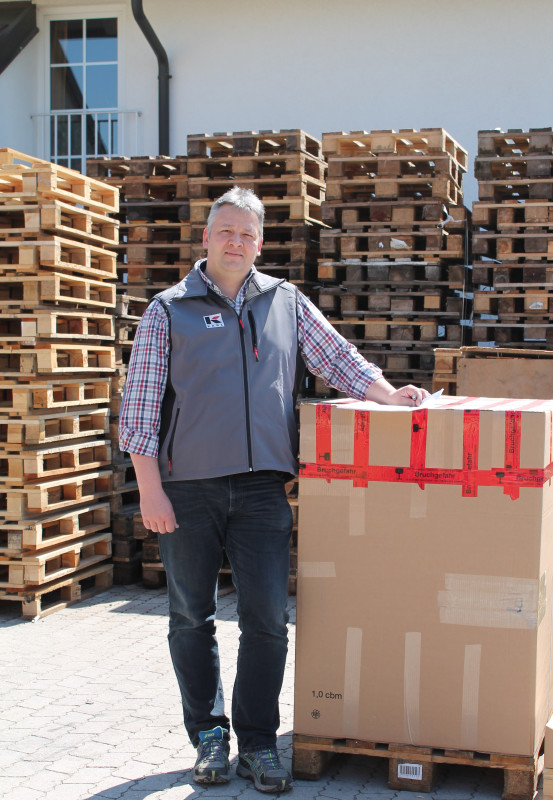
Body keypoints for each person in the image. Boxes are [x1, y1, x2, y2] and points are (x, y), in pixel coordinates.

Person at [119, 187, 430, 793]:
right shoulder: (168, 310)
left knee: (266, 620)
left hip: (263, 490)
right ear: (205, 238)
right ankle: (209, 738)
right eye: (225, 231)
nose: (235, 241)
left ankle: (259, 743)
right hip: (187, 490)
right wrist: (150, 490)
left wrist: (388, 395)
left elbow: (337, 358)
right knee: (190, 617)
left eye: (247, 234)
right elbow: (140, 409)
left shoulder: (286, 302)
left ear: (260, 244)